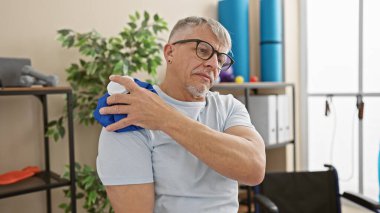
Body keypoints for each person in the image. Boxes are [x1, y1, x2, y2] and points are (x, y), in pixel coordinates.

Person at [96, 16, 266, 213]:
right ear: (170, 52)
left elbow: (254, 169)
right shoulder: (132, 113)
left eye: (220, 59)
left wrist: (166, 119)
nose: (213, 64)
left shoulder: (228, 107)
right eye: (203, 50)